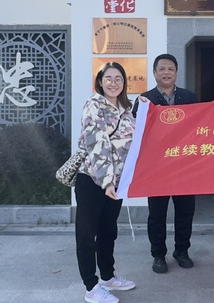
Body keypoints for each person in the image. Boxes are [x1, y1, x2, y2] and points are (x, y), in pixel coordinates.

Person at [75, 62, 137, 303]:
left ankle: (108, 277)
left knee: (108, 231)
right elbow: (97, 144)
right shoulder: (94, 105)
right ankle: (91, 287)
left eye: (118, 78)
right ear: (100, 81)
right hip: (93, 180)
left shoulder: (125, 109)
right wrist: (107, 182)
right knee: (87, 234)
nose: (114, 83)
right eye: (108, 78)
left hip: (116, 183)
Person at [132, 53, 199, 274]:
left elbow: (201, 127)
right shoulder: (145, 99)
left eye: (171, 69)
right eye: (162, 69)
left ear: (176, 73)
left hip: (184, 166)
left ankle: (182, 251)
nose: (166, 72)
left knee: (185, 211)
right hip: (156, 167)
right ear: (154, 73)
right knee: (157, 214)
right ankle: (158, 254)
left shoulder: (189, 97)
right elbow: (135, 130)